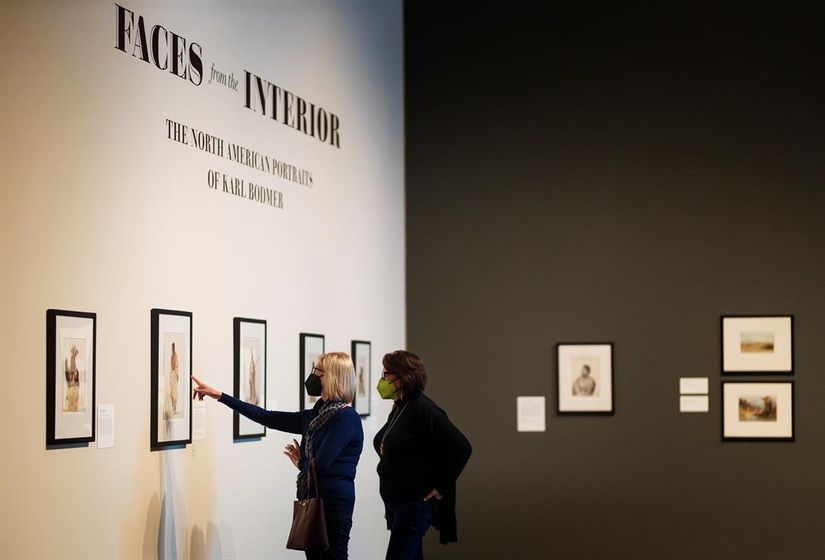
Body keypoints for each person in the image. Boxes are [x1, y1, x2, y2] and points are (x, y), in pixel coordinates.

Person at [192, 352, 364, 560]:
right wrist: (220, 396)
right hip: (311, 498)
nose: (312, 375)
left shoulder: (346, 418)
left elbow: (321, 465)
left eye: (317, 371)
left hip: (333, 504)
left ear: (333, 377)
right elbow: (267, 417)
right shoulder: (315, 415)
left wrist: (300, 461)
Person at [374, 350, 472, 560]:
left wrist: (440, 486)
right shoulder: (401, 406)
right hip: (397, 504)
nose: (382, 381)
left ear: (403, 377)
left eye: (386, 375)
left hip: (414, 505)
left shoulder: (424, 409)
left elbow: (462, 447)